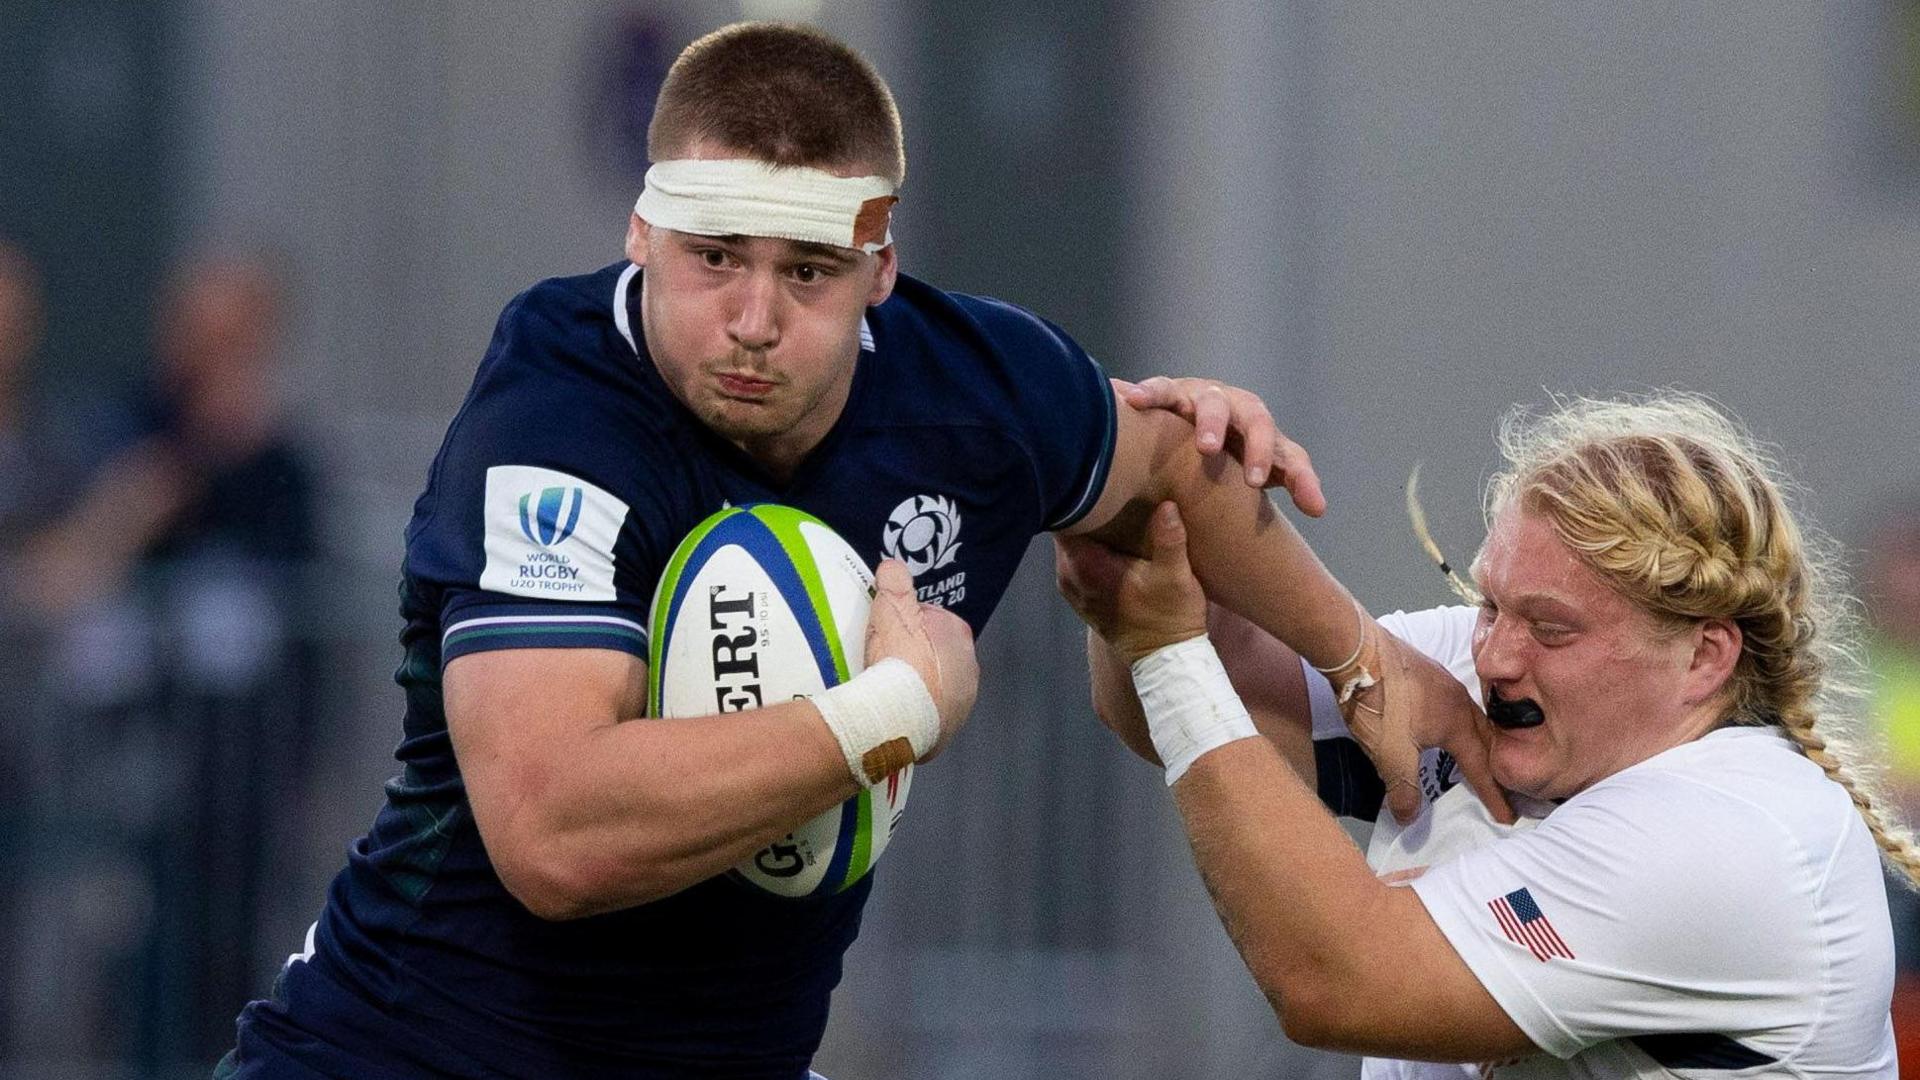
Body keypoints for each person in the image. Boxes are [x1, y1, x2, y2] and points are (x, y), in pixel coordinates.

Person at [212, 22, 1447, 1080]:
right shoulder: (558, 414)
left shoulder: (976, 389)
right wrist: (893, 709)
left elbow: (1174, 468)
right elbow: (553, 833)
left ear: (881, 270)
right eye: (715, 262)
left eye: (807, 272)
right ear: (642, 234)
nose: (753, 321)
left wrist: (1357, 659)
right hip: (406, 1051)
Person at [1058, 392, 1920, 1077]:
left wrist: (1164, 648)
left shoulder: (1737, 835)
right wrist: (1151, 484)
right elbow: (1166, 703)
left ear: (1704, 656)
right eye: (1489, 603)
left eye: (1551, 629)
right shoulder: (1499, 677)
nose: (1497, 655)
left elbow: (1334, 981)